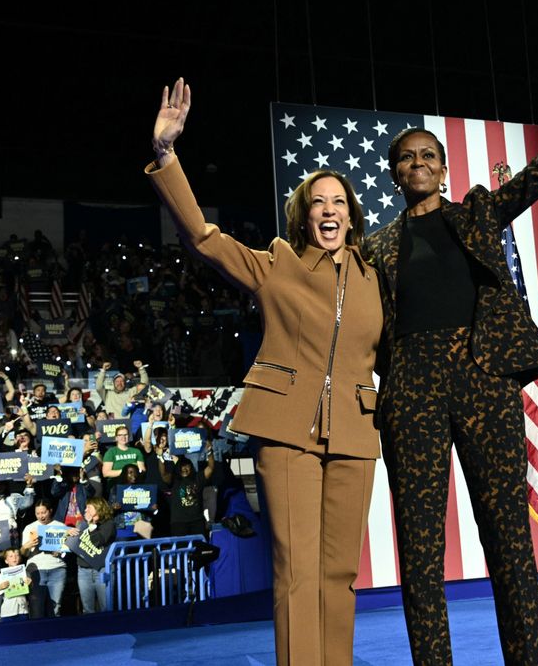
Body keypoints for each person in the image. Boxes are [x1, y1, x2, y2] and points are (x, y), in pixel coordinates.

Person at [362, 0, 538, 660]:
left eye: (428, 156)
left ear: (444, 166)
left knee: (508, 537)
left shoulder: (480, 212)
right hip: (410, 385)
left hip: (482, 375)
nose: (419, 165)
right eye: (406, 158)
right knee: (419, 546)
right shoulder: (374, 246)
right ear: (394, 174)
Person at [146, 75, 383, 665]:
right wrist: (166, 154)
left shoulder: (380, 277)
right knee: (297, 570)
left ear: (352, 217)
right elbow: (201, 236)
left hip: (355, 429)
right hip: (284, 428)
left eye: (339, 203)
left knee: (339, 572)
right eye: (318, 203)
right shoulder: (275, 264)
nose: (329, 211)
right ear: (304, 217)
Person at [67, 497, 115, 614]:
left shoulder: (109, 524)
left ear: (98, 508)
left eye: (89, 507)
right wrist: (68, 533)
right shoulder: (82, 524)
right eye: (86, 507)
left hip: (103, 570)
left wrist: (90, 525)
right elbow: (74, 544)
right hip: (84, 571)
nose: (85, 510)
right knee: (87, 609)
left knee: (106, 607)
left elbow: (97, 541)